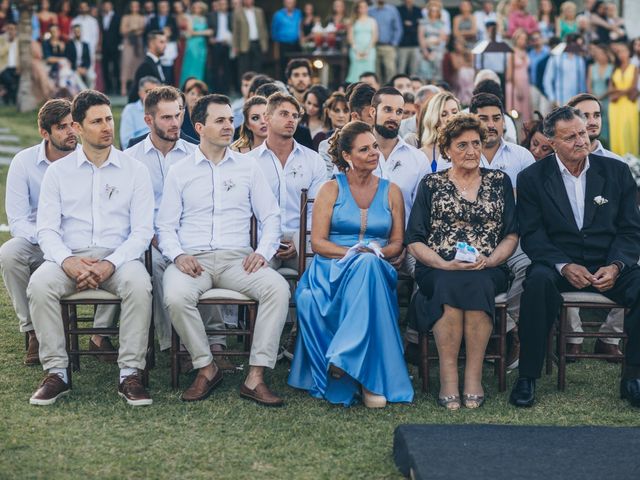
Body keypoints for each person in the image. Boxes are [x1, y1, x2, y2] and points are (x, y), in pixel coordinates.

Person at [158, 94, 290, 406]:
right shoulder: (180, 171)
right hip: (193, 260)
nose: (229, 126)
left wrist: (264, 251)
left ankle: (255, 376)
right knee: (175, 296)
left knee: (278, 288)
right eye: (220, 120)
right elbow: (164, 225)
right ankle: (206, 367)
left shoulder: (248, 168)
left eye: (231, 119)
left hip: (238, 260)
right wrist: (178, 255)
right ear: (200, 127)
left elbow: (271, 216)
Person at [27, 90, 154, 407]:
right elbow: (46, 228)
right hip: (70, 257)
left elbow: (142, 231)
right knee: (39, 285)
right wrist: (67, 261)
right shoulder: (58, 172)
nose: (107, 127)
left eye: (109, 119)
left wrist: (110, 263)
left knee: (140, 285)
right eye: (97, 121)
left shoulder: (135, 170)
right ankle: (57, 372)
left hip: (119, 258)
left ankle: (130, 373)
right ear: (79, 127)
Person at [510, 106, 640, 408]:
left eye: (583, 133)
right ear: (552, 142)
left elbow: (631, 230)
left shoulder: (616, 172)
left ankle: (633, 375)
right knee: (537, 283)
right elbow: (532, 234)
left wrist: (617, 265)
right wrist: (564, 265)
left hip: (608, 263)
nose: (581, 141)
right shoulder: (532, 178)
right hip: (558, 264)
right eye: (571, 137)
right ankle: (527, 376)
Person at [288, 120, 413, 407]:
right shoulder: (330, 190)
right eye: (365, 149)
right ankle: (368, 380)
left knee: (369, 268)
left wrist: (375, 252)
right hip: (331, 268)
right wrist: (354, 252)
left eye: (374, 147)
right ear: (347, 156)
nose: (374, 153)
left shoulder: (391, 191)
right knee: (363, 266)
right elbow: (318, 242)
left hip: (378, 266)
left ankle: (345, 359)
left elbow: (396, 243)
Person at [407, 113, 518, 410]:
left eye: (476, 143)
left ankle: (472, 377)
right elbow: (414, 239)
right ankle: (447, 377)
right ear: (447, 150)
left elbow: (511, 234)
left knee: (477, 281)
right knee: (448, 281)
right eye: (462, 145)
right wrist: (442, 264)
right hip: (438, 266)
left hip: (488, 267)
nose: (471, 151)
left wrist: (492, 259)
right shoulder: (431, 184)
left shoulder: (499, 181)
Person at [0, 99, 115, 366]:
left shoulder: (92, 156)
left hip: (84, 239)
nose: (71, 132)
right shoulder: (24, 162)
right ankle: (33, 332)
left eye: (72, 125)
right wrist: (53, 242)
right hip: (39, 240)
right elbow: (18, 221)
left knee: (117, 253)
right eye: (62, 127)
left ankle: (100, 334)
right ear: (45, 133)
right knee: (8, 252)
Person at [124, 86, 197, 352]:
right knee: (156, 264)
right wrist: (155, 238)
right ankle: (172, 346)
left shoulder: (195, 154)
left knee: (203, 259)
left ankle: (214, 340)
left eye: (178, 114)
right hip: (148, 238)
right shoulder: (130, 159)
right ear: (148, 120)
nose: (175, 122)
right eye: (166, 117)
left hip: (189, 235)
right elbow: (128, 211)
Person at [564, 92, 625, 359]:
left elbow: (627, 219)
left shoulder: (617, 164)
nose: (591, 121)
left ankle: (609, 336)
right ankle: (572, 337)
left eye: (596, 115)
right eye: (584, 115)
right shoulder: (558, 162)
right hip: (568, 244)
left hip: (607, 244)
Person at [371, 86, 430, 224]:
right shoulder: (356, 155)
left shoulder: (418, 159)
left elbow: (421, 213)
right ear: (373, 111)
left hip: (404, 241)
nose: (394, 117)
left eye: (399, 112)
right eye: (387, 110)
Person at [609, 41, 639, 157]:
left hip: (628, 104)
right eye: (619, 52)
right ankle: (617, 160)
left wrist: (619, 93)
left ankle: (632, 161)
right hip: (615, 106)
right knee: (616, 133)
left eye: (624, 51)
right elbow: (611, 88)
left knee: (628, 132)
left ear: (629, 52)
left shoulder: (634, 68)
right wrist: (620, 92)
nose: (621, 54)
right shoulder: (615, 68)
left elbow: (633, 87)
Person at [418, 91, 460, 172]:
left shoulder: (471, 149)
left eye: (454, 112)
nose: (451, 117)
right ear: (435, 120)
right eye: (444, 114)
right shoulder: (422, 154)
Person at [543, 34, 587, 107]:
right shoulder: (555, 59)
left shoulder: (580, 60)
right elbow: (547, 80)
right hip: (559, 101)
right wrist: (552, 99)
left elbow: (582, 83)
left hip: (575, 102)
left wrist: (582, 100)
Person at [121, 76, 161, 149]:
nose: (152, 95)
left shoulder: (164, 110)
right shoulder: (130, 110)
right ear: (140, 93)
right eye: (148, 91)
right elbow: (126, 143)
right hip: (137, 153)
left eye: (155, 92)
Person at [128, 30, 167, 103]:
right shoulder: (146, 66)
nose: (165, 46)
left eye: (165, 42)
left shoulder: (155, 63)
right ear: (151, 44)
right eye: (161, 42)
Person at [233, 0, 269, 80]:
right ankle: (243, 88)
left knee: (257, 67)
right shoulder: (238, 13)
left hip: (257, 43)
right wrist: (235, 46)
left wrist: (265, 44)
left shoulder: (259, 11)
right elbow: (236, 31)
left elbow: (263, 28)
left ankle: (257, 85)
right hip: (244, 44)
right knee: (244, 68)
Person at [178, 1, 212, 86]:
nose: (197, 9)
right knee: (190, 66)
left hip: (202, 45)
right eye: (195, 7)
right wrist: (205, 32)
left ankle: (198, 87)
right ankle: (186, 86)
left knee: (200, 66)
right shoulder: (190, 17)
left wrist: (206, 33)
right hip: (192, 44)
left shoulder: (205, 18)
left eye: (199, 7)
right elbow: (191, 32)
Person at [368, 1, 402, 84]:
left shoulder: (392, 10)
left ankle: (390, 91)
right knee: (376, 72)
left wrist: (394, 43)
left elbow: (398, 28)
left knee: (390, 71)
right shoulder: (370, 10)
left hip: (388, 46)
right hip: (373, 46)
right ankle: (377, 93)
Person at [586, 42, 613, 147]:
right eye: (598, 53)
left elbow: (612, 86)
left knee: (608, 124)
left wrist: (600, 97)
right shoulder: (592, 67)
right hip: (594, 100)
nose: (599, 56)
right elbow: (589, 84)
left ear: (607, 54)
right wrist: (594, 98)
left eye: (602, 53)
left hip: (608, 100)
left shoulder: (612, 67)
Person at [346, 1, 377, 84]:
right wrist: (357, 51)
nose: (363, 9)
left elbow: (374, 37)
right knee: (355, 73)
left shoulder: (372, 21)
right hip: (356, 51)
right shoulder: (352, 21)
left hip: (369, 51)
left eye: (365, 7)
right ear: (357, 9)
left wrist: (367, 50)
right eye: (361, 7)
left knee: (369, 73)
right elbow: (350, 37)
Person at [206, 0, 233, 95]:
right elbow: (207, 28)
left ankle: (226, 90)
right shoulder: (212, 15)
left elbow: (234, 29)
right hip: (216, 44)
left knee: (227, 68)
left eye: (225, 4)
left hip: (227, 44)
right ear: (218, 5)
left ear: (227, 5)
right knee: (215, 68)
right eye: (221, 4)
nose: (223, 6)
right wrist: (210, 38)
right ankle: (216, 90)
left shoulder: (231, 15)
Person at [417, 1, 448, 83]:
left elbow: (443, 37)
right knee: (424, 74)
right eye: (432, 10)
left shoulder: (441, 23)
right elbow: (421, 37)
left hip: (437, 52)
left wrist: (434, 46)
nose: (433, 12)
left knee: (436, 75)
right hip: (425, 51)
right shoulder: (423, 22)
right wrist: (425, 51)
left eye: (436, 11)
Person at [271, 0, 302, 79]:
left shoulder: (298, 13)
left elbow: (300, 28)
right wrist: (275, 49)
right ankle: (283, 85)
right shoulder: (278, 15)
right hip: (283, 45)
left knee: (296, 66)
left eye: (291, 2)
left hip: (295, 45)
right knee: (283, 66)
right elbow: (274, 32)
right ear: (284, 3)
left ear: (295, 3)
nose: (290, 4)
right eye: (288, 2)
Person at [505, 29, 531, 122]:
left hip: (525, 84)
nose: (523, 41)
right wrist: (518, 87)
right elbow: (509, 74)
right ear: (516, 39)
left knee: (526, 114)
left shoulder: (526, 52)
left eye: (525, 39)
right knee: (515, 113)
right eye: (521, 38)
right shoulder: (512, 52)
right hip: (514, 85)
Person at [100, 1, 121, 95]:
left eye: (108, 5)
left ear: (111, 6)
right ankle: (108, 88)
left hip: (115, 46)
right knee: (105, 68)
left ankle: (118, 88)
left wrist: (120, 44)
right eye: (105, 6)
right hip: (104, 47)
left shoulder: (117, 17)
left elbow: (119, 32)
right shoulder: (101, 17)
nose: (106, 7)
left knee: (116, 67)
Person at [397, 0, 422, 77]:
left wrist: (409, 24)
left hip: (415, 43)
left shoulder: (417, 10)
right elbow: (399, 23)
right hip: (403, 43)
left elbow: (420, 23)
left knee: (414, 69)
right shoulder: (399, 9)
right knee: (401, 68)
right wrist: (413, 24)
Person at [302, 85, 330, 149]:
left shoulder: (326, 125)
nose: (310, 108)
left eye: (315, 105)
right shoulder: (298, 120)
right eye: (309, 103)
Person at [0, 21, 18, 105]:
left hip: (16, 67)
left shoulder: (19, 41)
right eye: (9, 29)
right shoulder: (2, 39)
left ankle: (10, 100)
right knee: (10, 81)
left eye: (13, 29)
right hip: (3, 67)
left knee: (15, 83)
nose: (11, 31)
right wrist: (8, 43)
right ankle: (10, 100)